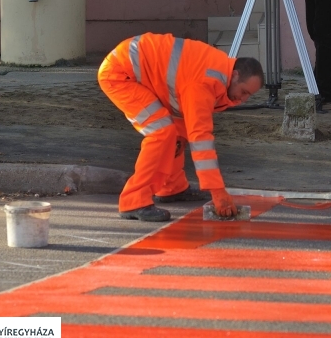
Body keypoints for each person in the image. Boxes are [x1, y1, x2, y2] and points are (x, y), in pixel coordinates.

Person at [97, 33, 264, 222]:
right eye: (243, 92)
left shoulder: (219, 70)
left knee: (179, 128)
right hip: (120, 74)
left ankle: (172, 188)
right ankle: (133, 201)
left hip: (135, 70)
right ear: (235, 75)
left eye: (248, 96)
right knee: (161, 131)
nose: (243, 100)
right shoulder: (205, 82)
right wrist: (217, 192)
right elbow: (200, 138)